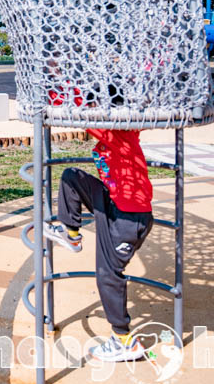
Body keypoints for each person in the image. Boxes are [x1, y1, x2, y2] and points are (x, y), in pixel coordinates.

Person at [43, 127, 154, 362]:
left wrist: (63, 95)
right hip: (113, 204)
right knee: (72, 176)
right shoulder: (117, 135)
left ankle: (124, 341)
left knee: (108, 275)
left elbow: (81, 110)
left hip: (129, 219)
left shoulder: (120, 135)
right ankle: (71, 233)